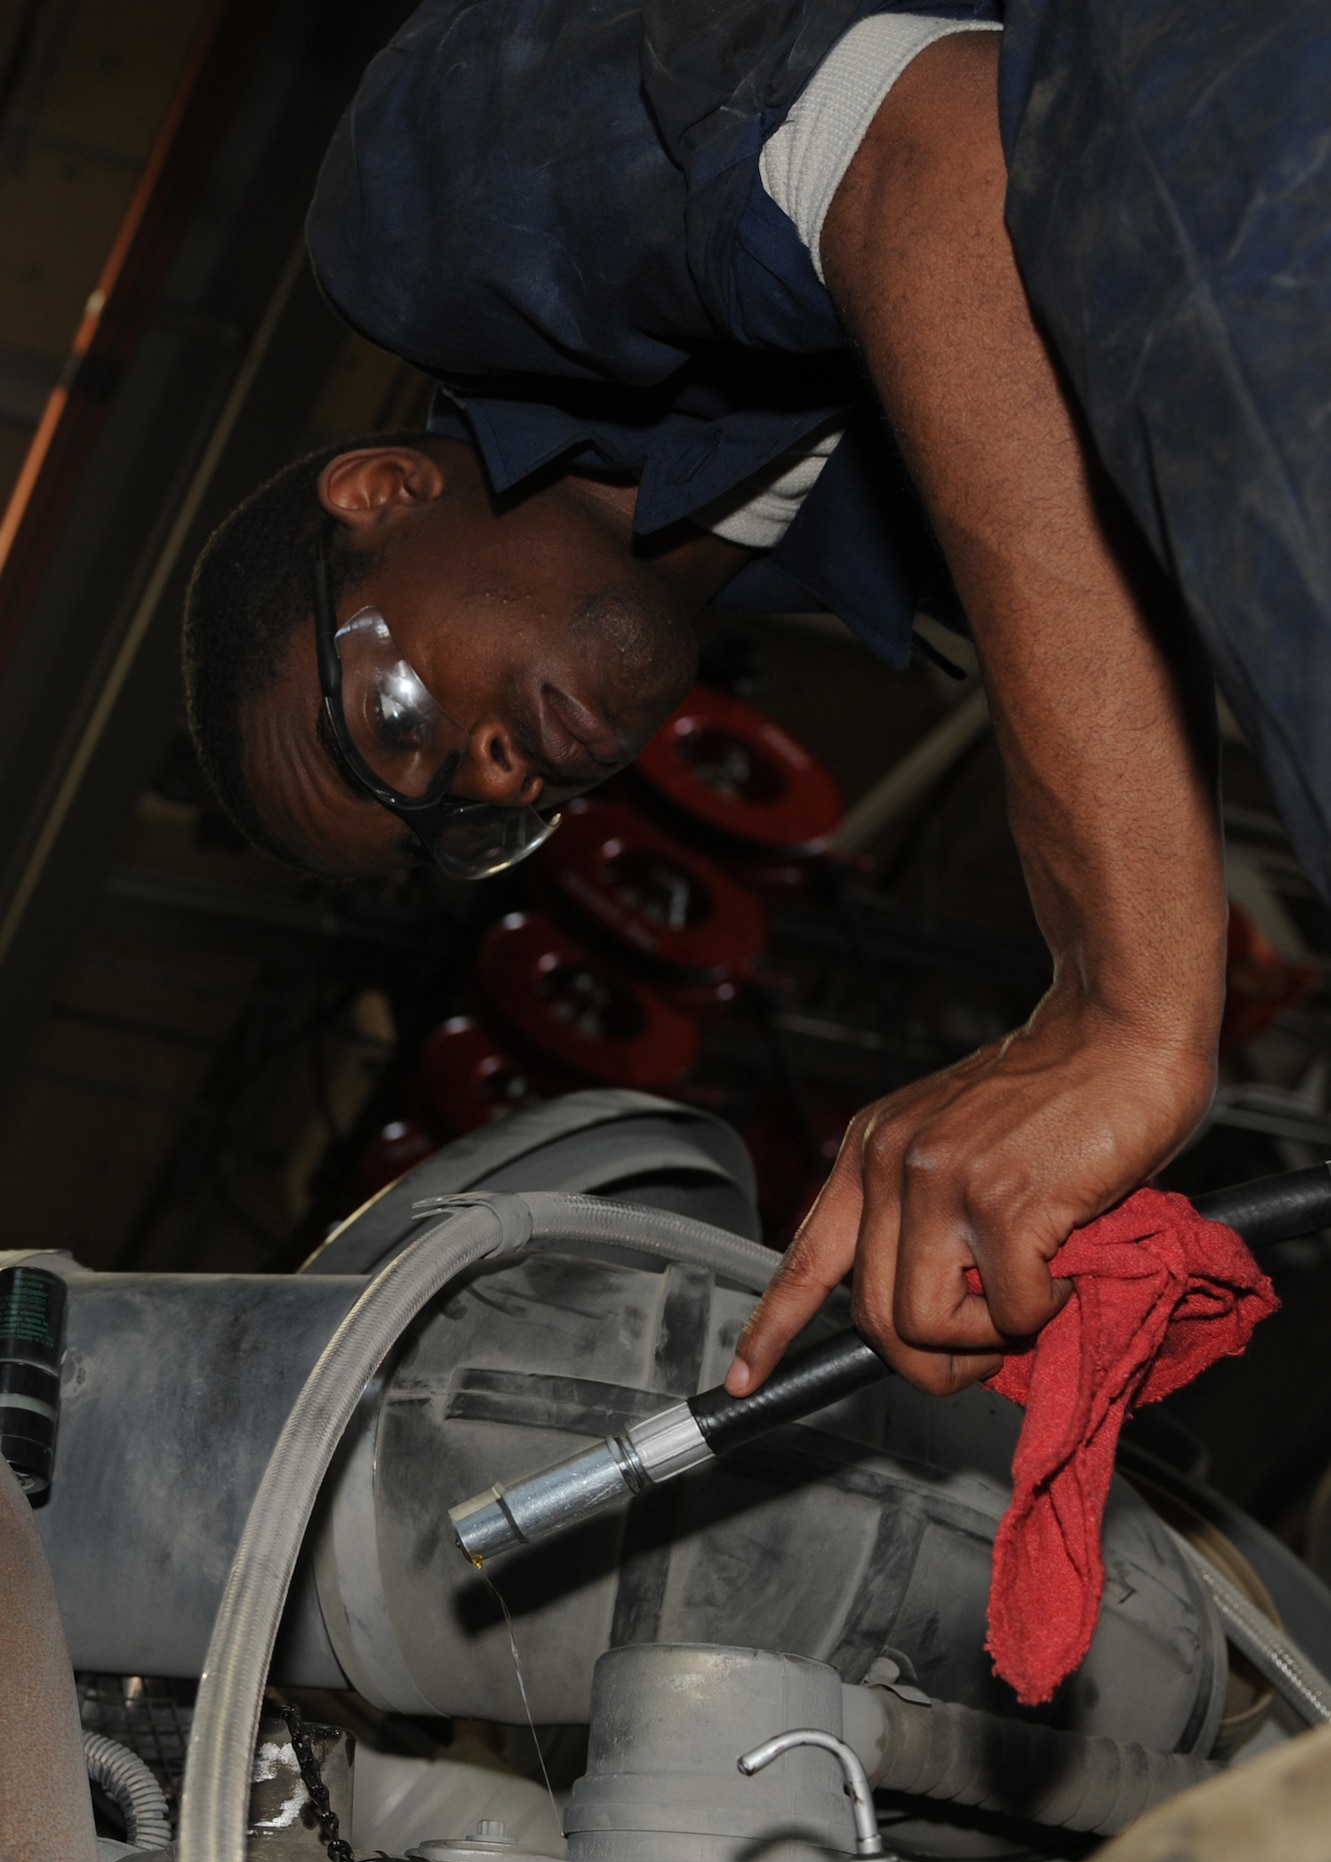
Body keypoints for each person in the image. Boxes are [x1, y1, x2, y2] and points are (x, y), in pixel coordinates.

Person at [183, 0, 1233, 1403]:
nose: (492, 778)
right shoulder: (917, 543)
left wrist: (1122, 999)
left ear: (382, 492)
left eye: (401, 722)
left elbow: (935, 144)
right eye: (462, 825)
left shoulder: (428, 219)